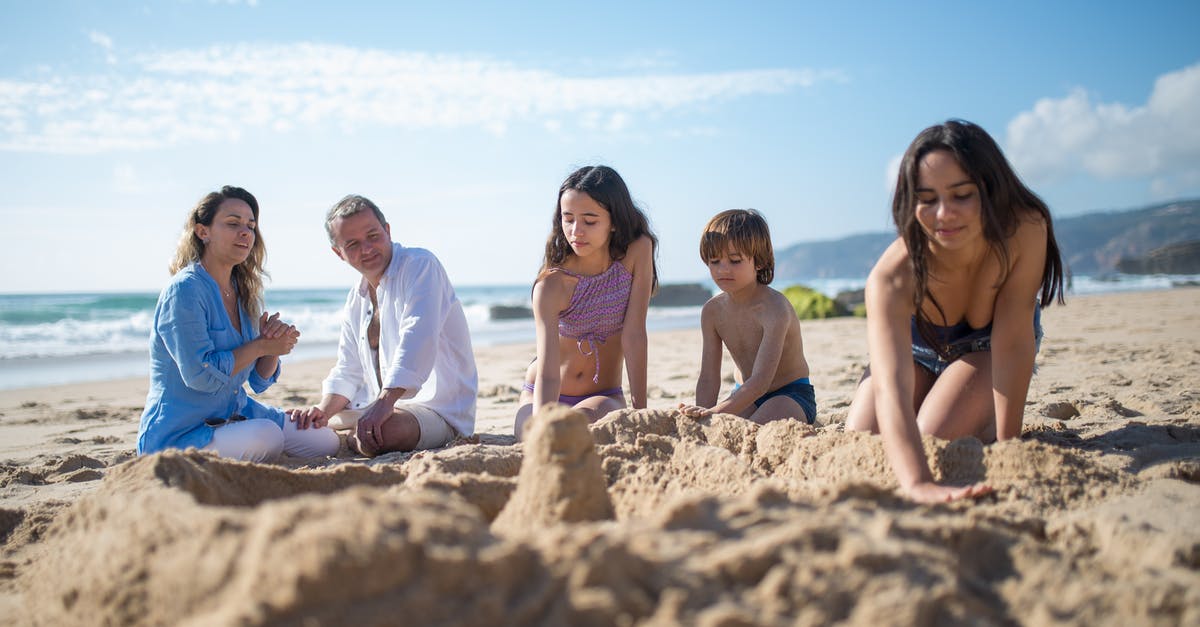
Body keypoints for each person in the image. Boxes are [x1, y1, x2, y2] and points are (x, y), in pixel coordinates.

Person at [845, 119, 1066, 503]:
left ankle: (975, 412)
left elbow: (1013, 339)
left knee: (932, 439)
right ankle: (943, 394)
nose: (944, 213)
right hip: (915, 352)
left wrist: (1008, 443)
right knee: (861, 446)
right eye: (927, 199)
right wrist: (917, 484)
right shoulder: (891, 278)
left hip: (986, 348)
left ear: (989, 188)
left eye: (961, 195)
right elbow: (890, 388)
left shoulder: (1026, 228)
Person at [138, 186, 340, 461]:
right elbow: (200, 376)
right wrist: (259, 346)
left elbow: (259, 380)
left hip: (235, 415)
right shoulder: (184, 290)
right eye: (233, 224)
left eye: (250, 226)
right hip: (180, 434)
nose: (245, 232)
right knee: (266, 436)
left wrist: (271, 348)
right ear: (203, 231)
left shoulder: (244, 290)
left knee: (324, 441)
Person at [287, 195, 477, 457]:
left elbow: (417, 338)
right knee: (302, 424)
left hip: (440, 410)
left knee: (382, 433)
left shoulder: (420, 266)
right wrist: (322, 411)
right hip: (379, 406)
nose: (366, 249)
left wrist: (384, 403)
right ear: (338, 253)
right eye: (352, 244)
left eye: (373, 236)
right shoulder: (357, 297)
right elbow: (349, 369)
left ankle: (350, 436)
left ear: (387, 231)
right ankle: (341, 430)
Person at [514, 165, 658, 439]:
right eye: (568, 219)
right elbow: (548, 373)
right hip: (542, 393)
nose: (576, 231)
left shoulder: (638, 250)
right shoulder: (550, 286)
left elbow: (635, 334)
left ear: (614, 221)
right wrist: (543, 426)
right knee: (542, 436)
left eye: (589, 221)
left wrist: (641, 413)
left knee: (578, 425)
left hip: (603, 395)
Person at [677, 209, 816, 425]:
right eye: (714, 261)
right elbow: (708, 377)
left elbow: (761, 381)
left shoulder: (775, 308)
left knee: (756, 429)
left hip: (790, 394)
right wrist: (703, 415)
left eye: (734, 261)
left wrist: (715, 413)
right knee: (718, 429)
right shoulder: (712, 311)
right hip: (742, 395)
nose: (723, 269)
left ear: (759, 262)